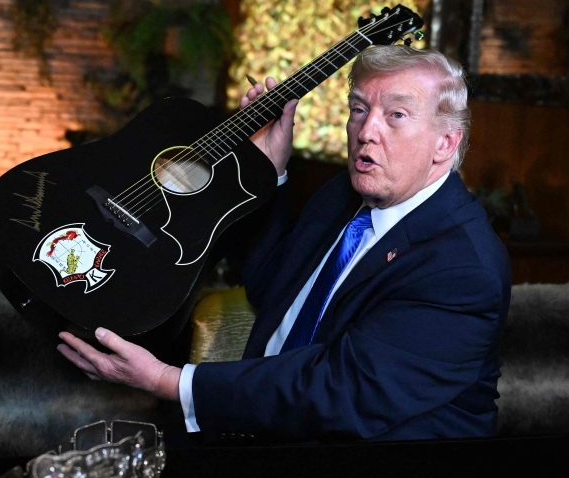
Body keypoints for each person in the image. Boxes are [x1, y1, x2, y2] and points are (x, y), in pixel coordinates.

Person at [58, 46, 511, 441]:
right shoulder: (345, 194)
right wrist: (268, 170)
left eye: (396, 115)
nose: (366, 132)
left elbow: (341, 393)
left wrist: (167, 381)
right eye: (358, 109)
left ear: (444, 144)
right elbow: (269, 282)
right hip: (261, 425)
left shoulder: (462, 268)